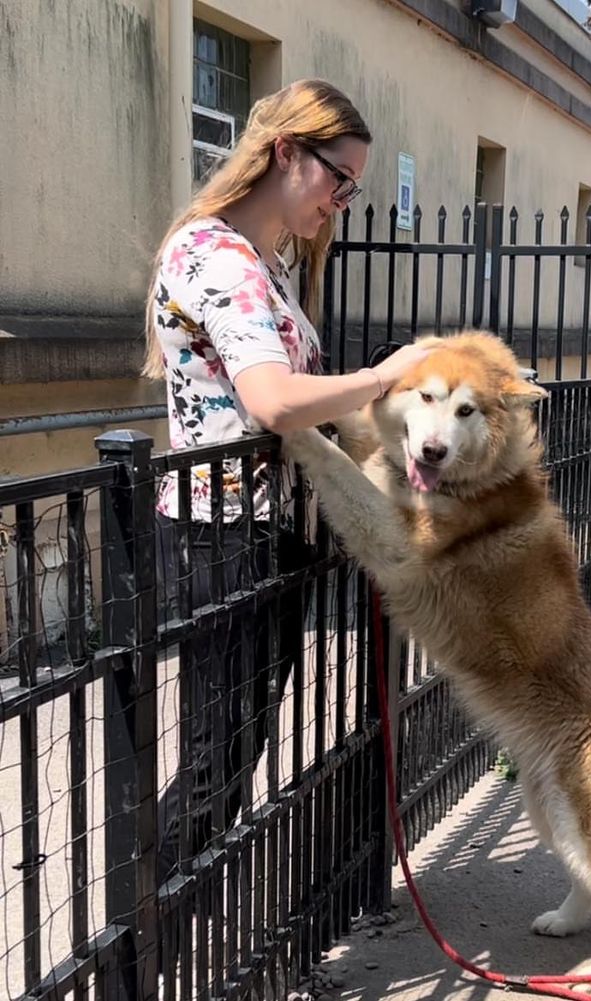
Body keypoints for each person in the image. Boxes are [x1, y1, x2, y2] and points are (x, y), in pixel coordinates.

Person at [143, 79, 429, 885]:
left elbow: (294, 401)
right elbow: (272, 401)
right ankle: (129, 955)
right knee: (214, 771)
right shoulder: (214, 254)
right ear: (285, 153)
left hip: (262, 531)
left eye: (354, 186)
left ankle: (151, 940)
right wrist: (377, 377)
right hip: (222, 533)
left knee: (229, 762)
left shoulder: (260, 261)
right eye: (338, 177)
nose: (342, 200)